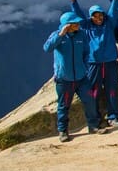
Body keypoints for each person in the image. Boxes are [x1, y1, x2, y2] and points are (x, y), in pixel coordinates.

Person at [43, 11, 108, 141]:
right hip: (64, 79)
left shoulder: (81, 35)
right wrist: (61, 35)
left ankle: (93, 126)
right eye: (75, 23)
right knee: (64, 105)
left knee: (89, 100)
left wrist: (84, 67)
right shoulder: (57, 35)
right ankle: (63, 131)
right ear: (67, 25)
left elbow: (86, 51)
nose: (78, 24)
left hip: (81, 77)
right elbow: (47, 48)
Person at [68, 0, 118, 127]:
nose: (99, 18)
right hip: (93, 63)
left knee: (112, 90)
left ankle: (113, 116)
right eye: (95, 16)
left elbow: (114, 10)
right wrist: (73, 1)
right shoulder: (86, 26)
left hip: (110, 62)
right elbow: (78, 15)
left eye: (101, 15)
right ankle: (96, 117)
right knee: (94, 91)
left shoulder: (109, 24)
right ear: (91, 16)